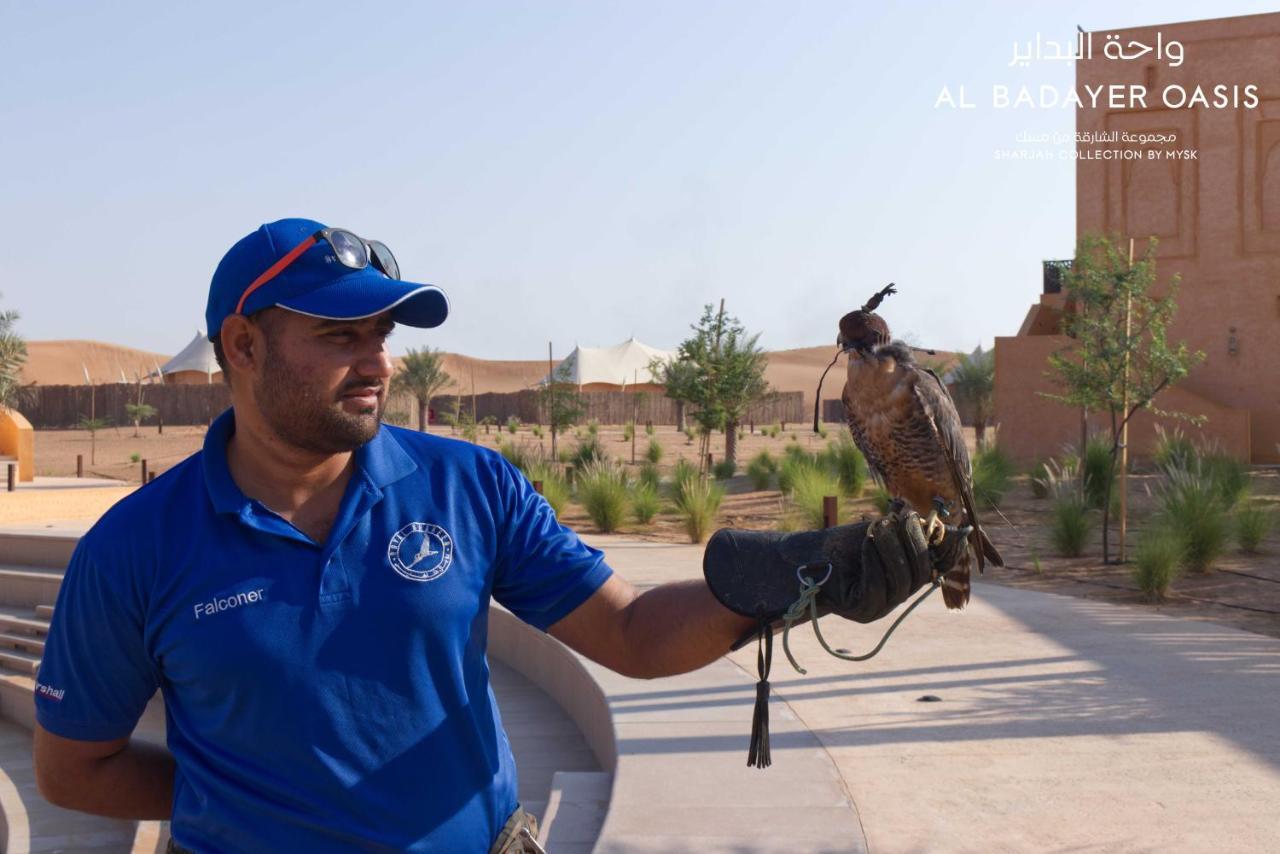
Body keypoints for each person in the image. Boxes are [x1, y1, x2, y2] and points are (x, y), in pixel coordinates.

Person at [32, 218, 956, 852]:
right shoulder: (136, 548)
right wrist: (243, 809)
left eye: (383, 333)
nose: (377, 361)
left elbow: (630, 633)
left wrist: (798, 582)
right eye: (341, 334)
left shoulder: (468, 485)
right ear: (241, 345)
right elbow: (74, 769)